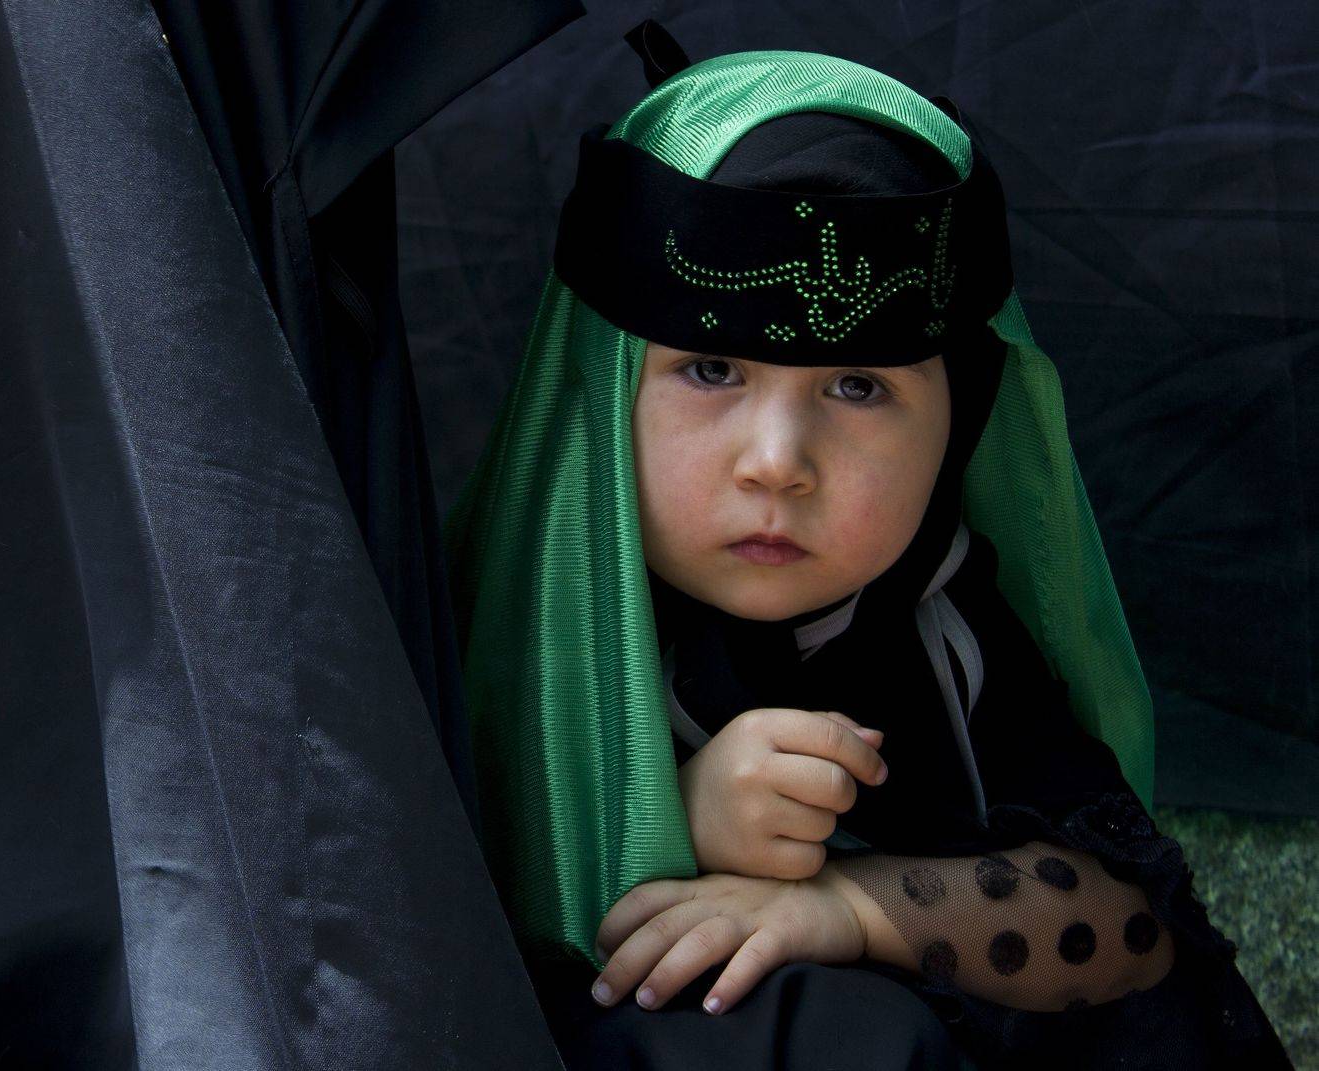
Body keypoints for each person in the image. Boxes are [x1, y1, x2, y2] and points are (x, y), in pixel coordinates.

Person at [442, 28, 1291, 1069]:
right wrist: (666, 820)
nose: (777, 462)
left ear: (959, 421)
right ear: (601, 386)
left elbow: (1131, 928)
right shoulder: (508, 625)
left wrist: (847, 907)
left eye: (857, 386)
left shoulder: (938, 624)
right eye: (710, 369)